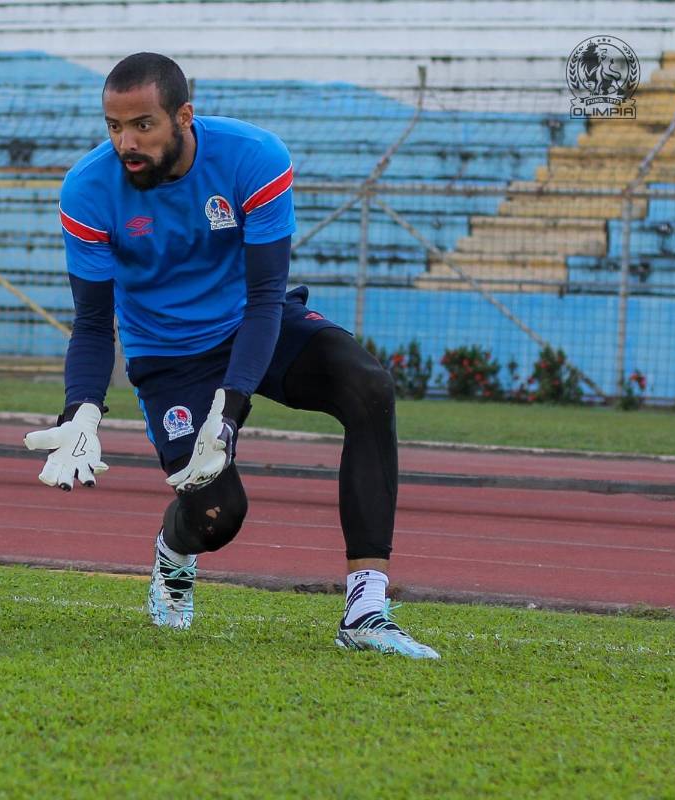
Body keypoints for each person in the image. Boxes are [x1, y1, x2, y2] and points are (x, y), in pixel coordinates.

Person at [24, 53, 438, 659]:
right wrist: (81, 410)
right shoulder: (87, 190)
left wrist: (232, 408)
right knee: (217, 515)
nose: (125, 143)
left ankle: (366, 609)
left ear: (183, 116)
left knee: (367, 385)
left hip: (254, 324)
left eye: (142, 125)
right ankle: (174, 552)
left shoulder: (254, 157)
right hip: (169, 355)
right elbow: (91, 322)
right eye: (114, 126)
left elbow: (267, 296)